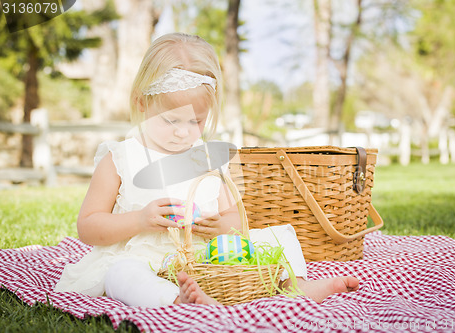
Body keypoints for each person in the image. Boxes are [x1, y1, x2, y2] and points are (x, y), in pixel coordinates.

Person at [54, 32, 358, 307]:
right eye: (172, 121)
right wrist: (139, 219)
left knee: (274, 237)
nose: (183, 132)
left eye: (196, 121)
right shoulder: (120, 157)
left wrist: (220, 226)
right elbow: (88, 227)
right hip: (143, 259)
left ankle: (296, 285)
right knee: (120, 275)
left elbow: (237, 218)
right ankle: (176, 299)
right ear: (142, 104)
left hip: (207, 260)